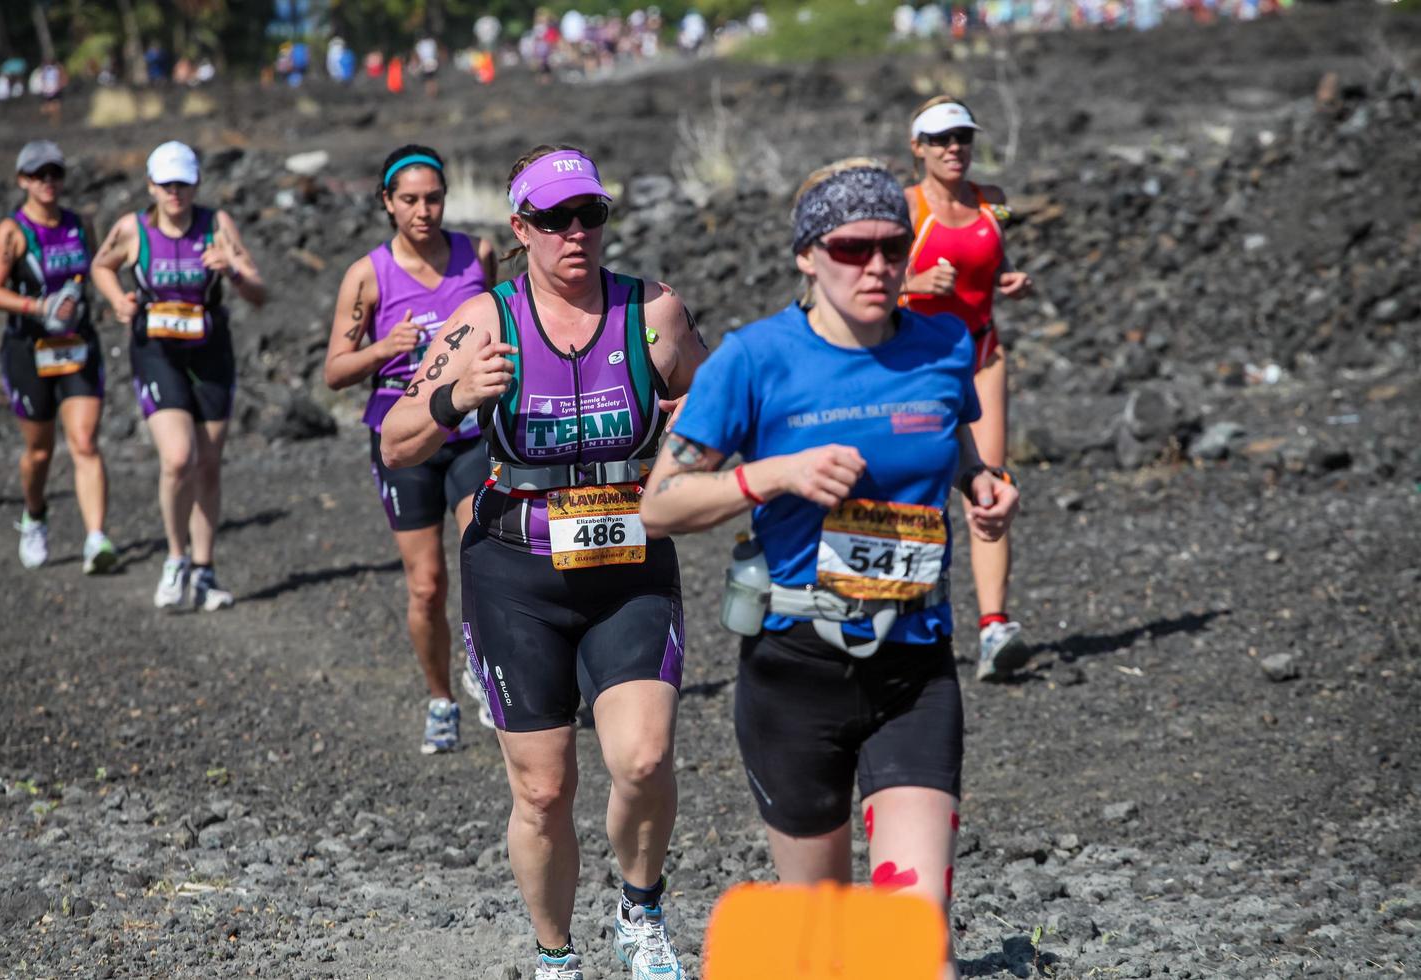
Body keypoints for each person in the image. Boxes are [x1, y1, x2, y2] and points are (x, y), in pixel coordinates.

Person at [639, 159, 1019, 980]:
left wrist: (980, 486)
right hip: (794, 674)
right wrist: (773, 475)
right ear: (808, 255)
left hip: (915, 670)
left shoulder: (944, 344)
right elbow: (660, 504)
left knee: (916, 944)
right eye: (853, 248)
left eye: (892, 246)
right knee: (828, 948)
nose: (878, 265)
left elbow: (951, 442)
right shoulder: (753, 360)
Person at [381, 145, 706, 980]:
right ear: (520, 229)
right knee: (543, 790)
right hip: (515, 571)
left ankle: (640, 913)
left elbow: (715, 409)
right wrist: (458, 396)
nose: (576, 233)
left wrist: (688, 430)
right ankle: (556, 955)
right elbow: (397, 438)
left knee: (641, 756)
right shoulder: (486, 322)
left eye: (590, 215)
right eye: (555, 220)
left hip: (629, 559)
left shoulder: (653, 312)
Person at [325, 145, 499, 753]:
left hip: (473, 432)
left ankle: (487, 672)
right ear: (387, 203)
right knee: (427, 584)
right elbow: (335, 371)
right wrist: (384, 348)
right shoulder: (368, 275)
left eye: (433, 198)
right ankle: (440, 698)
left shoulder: (476, 255)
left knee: (485, 556)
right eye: (409, 200)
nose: (423, 211)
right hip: (401, 437)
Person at [90, 141, 266, 611]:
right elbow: (101, 266)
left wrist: (231, 271)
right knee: (178, 458)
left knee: (208, 464)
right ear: (151, 185)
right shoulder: (132, 229)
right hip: (157, 353)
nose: (175, 192)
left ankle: (205, 571)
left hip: (211, 353)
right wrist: (118, 300)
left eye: (183, 183)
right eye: (166, 184)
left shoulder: (217, 226)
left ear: (195, 184)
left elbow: (259, 292)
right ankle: (175, 557)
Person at [901, 97, 1034, 682]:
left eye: (963, 138)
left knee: (990, 486)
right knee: (912, 492)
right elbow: (864, 287)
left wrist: (1009, 280)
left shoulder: (993, 202)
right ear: (919, 148)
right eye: (940, 139)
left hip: (981, 355)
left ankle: (994, 627)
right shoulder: (904, 209)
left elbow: (990, 266)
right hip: (919, 366)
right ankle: (903, 622)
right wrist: (915, 283)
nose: (953, 148)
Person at [0, 140, 117, 574]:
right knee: (40, 452)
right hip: (29, 349)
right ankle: (35, 515)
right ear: (23, 181)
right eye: (39, 175)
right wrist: (39, 307)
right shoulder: (12, 233)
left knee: (85, 441)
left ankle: (96, 538)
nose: (48, 182)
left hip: (77, 345)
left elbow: (96, 272)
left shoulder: (81, 225)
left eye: (55, 173)